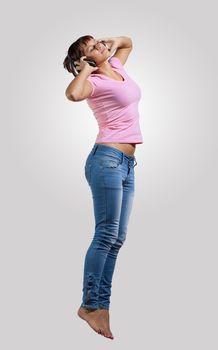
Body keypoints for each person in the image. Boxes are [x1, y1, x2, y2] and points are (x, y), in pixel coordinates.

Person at [63, 35, 143, 339]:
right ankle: (90, 305)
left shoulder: (116, 66)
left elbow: (128, 43)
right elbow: (73, 94)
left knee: (118, 237)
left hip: (125, 164)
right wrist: (85, 67)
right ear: (87, 60)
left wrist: (113, 42)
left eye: (97, 42)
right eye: (91, 48)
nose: (99, 46)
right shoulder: (94, 80)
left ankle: (100, 305)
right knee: (106, 234)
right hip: (106, 160)